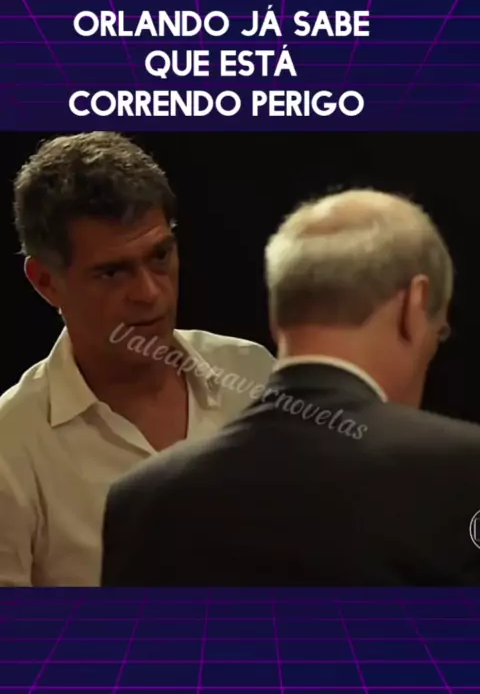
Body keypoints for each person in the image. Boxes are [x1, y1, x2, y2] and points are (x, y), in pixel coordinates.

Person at [103, 188, 480, 587]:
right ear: (414, 306)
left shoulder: (139, 501)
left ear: (277, 317)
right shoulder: (464, 471)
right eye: (438, 332)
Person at [0, 132, 274, 587]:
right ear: (46, 282)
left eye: (160, 255)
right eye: (112, 272)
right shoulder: (11, 447)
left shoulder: (253, 372)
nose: (150, 293)